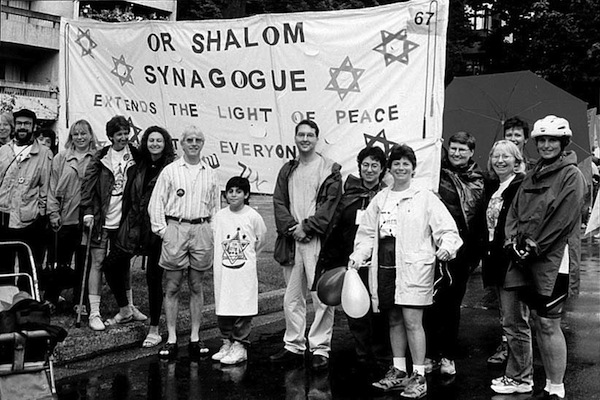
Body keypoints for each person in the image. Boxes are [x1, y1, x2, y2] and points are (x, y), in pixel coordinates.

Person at [349, 144, 462, 398]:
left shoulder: (425, 196)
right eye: (396, 163)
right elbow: (367, 234)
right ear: (389, 169)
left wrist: (447, 246)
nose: (401, 168)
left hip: (414, 266)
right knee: (393, 319)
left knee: (413, 321)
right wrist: (358, 256)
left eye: (406, 164)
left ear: (413, 168)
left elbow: (447, 230)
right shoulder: (381, 198)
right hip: (385, 264)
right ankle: (398, 370)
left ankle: (419, 375)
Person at [505, 115, 585, 400]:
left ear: (563, 143)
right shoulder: (532, 173)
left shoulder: (572, 175)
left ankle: (557, 387)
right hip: (528, 257)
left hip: (554, 260)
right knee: (538, 321)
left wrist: (534, 244)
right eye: (542, 140)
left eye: (553, 140)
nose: (547, 145)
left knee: (550, 322)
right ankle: (549, 384)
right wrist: (511, 241)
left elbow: (563, 219)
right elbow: (514, 211)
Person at [270, 119, 342, 371]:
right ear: (295, 138)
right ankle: (294, 345)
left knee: (321, 296)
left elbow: (330, 206)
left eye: (310, 134)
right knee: (292, 297)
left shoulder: (329, 169)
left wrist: (308, 227)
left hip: (316, 240)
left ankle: (320, 348)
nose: (305, 139)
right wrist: (293, 228)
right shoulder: (288, 169)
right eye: (301, 134)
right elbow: (278, 201)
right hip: (293, 241)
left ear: (317, 138)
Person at [148, 125, 220, 360]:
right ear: (182, 144)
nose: (193, 143)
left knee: (197, 285)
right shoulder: (170, 171)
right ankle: (170, 338)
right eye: (189, 139)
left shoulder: (210, 172)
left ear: (202, 143)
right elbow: (156, 202)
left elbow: (215, 206)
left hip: (200, 228)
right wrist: (163, 231)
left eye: (198, 140)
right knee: (172, 285)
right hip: (175, 228)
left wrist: (211, 230)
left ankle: (195, 337)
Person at [317, 146, 391, 371]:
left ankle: (382, 356)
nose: (369, 170)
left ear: (382, 169)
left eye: (374, 165)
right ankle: (362, 355)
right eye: (365, 165)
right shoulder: (348, 195)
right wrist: (333, 261)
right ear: (359, 167)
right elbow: (336, 229)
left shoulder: (388, 196)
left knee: (380, 311)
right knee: (356, 311)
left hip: (380, 264)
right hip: (353, 264)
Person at [424, 131, 486, 377]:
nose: (457, 153)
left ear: (471, 152)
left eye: (462, 149)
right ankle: (428, 353)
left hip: (462, 252)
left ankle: (447, 355)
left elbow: (479, 219)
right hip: (432, 247)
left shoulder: (479, 179)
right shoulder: (433, 174)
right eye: (453, 148)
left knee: (451, 305)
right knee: (429, 303)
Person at [108, 126, 175, 347]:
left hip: (156, 228)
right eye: (151, 140)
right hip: (133, 225)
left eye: (159, 140)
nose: (154, 144)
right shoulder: (140, 163)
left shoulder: (171, 167)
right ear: (145, 142)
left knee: (154, 279)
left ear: (165, 143)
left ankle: (154, 329)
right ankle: (125, 308)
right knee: (110, 265)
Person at [80, 115, 144, 331]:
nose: (124, 138)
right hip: (102, 218)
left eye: (126, 133)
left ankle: (128, 306)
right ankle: (94, 312)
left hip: (124, 219)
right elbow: (87, 187)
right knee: (97, 262)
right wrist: (87, 212)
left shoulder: (135, 155)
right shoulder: (100, 157)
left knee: (123, 262)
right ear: (110, 137)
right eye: (119, 134)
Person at [481, 140, 533, 394]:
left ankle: (522, 378)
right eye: (496, 156)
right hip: (496, 261)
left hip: (512, 262)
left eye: (506, 156)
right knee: (508, 321)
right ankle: (516, 374)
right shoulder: (494, 186)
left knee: (515, 322)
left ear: (517, 160)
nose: (500, 161)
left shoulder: (520, 185)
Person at [210, 176, 267, 365]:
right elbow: (214, 238)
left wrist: (248, 255)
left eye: (238, 191)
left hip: (243, 271)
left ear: (247, 194)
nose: (234, 195)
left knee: (242, 305)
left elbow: (261, 239)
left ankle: (240, 345)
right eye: (230, 191)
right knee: (225, 304)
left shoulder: (252, 216)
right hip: (224, 271)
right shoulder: (219, 216)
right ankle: (227, 341)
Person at [46, 120, 99, 313]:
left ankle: (80, 301)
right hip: (65, 216)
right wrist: (53, 212)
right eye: (76, 134)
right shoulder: (61, 158)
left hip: (86, 218)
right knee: (60, 260)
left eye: (83, 133)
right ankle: (51, 297)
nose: (80, 137)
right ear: (71, 137)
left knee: (84, 261)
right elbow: (51, 187)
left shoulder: (97, 158)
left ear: (90, 135)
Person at [0, 108, 52, 283]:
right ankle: (5, 303)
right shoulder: (3, 151)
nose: (23, 127)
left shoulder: (44, 153)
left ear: (34, 126)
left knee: (28, 265)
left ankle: (27, 303)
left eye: (27, 124)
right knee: (3, 265)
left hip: (30, 219)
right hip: (3, 216)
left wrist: (41, 213)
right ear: (15, 126)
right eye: (20, 123)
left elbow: (46, 188)